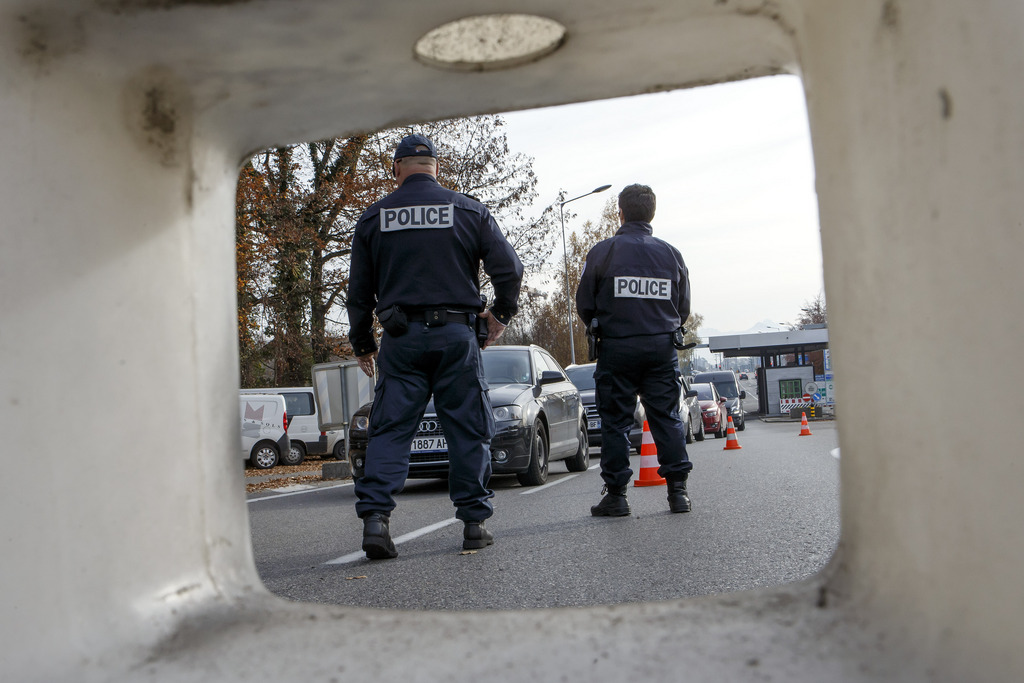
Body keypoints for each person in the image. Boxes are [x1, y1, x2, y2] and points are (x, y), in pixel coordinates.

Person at [346, 134, 524, 559]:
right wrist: (499, 316)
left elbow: (358, 293)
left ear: (396, 169)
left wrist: (363, 344)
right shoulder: (468, 210)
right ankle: (474, 525)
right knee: (466, 428)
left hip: (401, 340)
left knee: (390, 430)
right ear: (436, 168)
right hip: (457, 338)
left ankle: (376, 521)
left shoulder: (374, 218)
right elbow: (510, 269)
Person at [575, 183, 693, 516]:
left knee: (615, 422)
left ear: (621, 213)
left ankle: (617, 496)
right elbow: (682, 308)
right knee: (666, 418)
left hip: (618, 347)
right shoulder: (671, 254)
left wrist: (604, 322)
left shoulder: (603, 251)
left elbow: (584, 301)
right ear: (651, 213)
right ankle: (678, 494)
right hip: (660, 347)